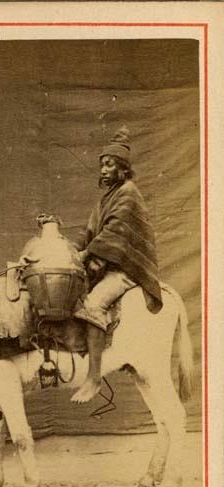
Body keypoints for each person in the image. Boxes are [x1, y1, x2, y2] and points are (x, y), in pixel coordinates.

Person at [71, 126, 163, 403]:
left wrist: (86, 255)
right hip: (107, 264)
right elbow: (89, 234)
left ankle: (94, 378)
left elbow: (114, 234)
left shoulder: (128, 192)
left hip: (125, 269)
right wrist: (69, 251)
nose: (103, 169)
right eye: (101, 164)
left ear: (122, 167)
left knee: (93, 304)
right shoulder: (106, 197)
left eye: (109, 164)